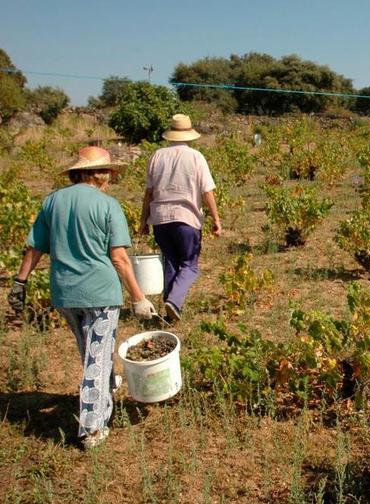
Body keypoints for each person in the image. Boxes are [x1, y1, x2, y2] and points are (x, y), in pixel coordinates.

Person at [7, 146, 157, 450]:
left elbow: (35, 246)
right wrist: (139, 298)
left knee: (91, 352)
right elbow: (119, 258)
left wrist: (19, 282)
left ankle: (103, 391)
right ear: (97, 174)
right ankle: (92, 427)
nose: (112, 177)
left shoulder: (53, 201)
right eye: (109, 171)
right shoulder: (108, 205)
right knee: (97, 357)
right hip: (100, 294)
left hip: (65, 293)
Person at [139, 114, 222, 322]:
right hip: (187, 218)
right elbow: (207, 192)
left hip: (160, 219)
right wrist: (216, 220)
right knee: (189, 265)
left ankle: (170, 313)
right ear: (189, 135)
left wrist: (143, 222)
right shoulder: (195, 157)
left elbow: (148, 193)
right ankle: (174, 302)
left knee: (170, 262)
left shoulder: (157, 156)